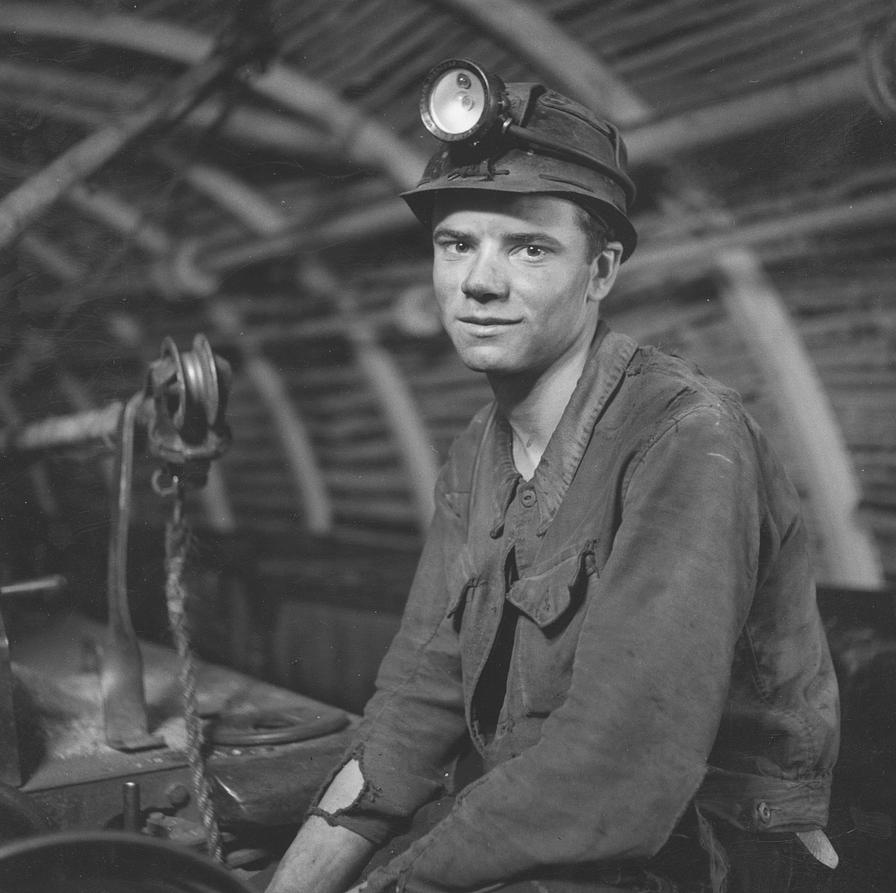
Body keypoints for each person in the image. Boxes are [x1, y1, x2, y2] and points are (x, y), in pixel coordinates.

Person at [266, 61, 840, 893]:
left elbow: (618, 767)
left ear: (601, 272)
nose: (479, 282)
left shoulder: (686, 441)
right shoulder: (477, 451)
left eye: (529, 247)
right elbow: (416, 701)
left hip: (706, 858)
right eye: (455, 243)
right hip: (549, 832)